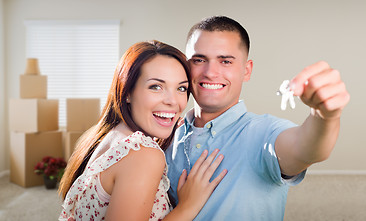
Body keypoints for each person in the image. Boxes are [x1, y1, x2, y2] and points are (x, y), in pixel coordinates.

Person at [164, 16, 350, 219]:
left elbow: (305, 149)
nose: (210, 72)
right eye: (199, 60)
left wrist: (325, 116)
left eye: (225, 61)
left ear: (247, 70)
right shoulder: (166, 135)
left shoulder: (264, 132)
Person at [58, 40, 227, 220]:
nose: (173, 101)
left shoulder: (113, 135)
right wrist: (187, 206)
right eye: (156, 87)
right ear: (127, 92)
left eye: (181, 88)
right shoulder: (142, 154)